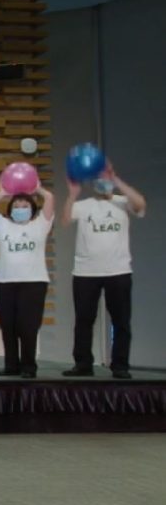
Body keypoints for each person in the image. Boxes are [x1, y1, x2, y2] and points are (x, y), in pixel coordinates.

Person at [61, 162, 146, 379]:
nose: (103, 182)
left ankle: (120, 365)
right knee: (83, 320)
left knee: (121, 321)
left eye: (106, 177)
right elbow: (65, 219)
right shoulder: (85, 204)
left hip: (118, 271)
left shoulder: (122, 203)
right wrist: (72, 194)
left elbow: (140, 203)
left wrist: (116, 180)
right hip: (85, 272)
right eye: (99, 178)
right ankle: (83, 364)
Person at [0, 182, 55, 379]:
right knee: (8, 326)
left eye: (25, 206)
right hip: (4, 282)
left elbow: (49, 199)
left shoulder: (40, 224)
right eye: (16, 206)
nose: (20, 209)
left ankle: (28, 366)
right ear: (10, 210)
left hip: (34, 283)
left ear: (33, 210)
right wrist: (2, 192)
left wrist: (37, 188)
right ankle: (11, 365)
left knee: (28, 327)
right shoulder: (2, 225)